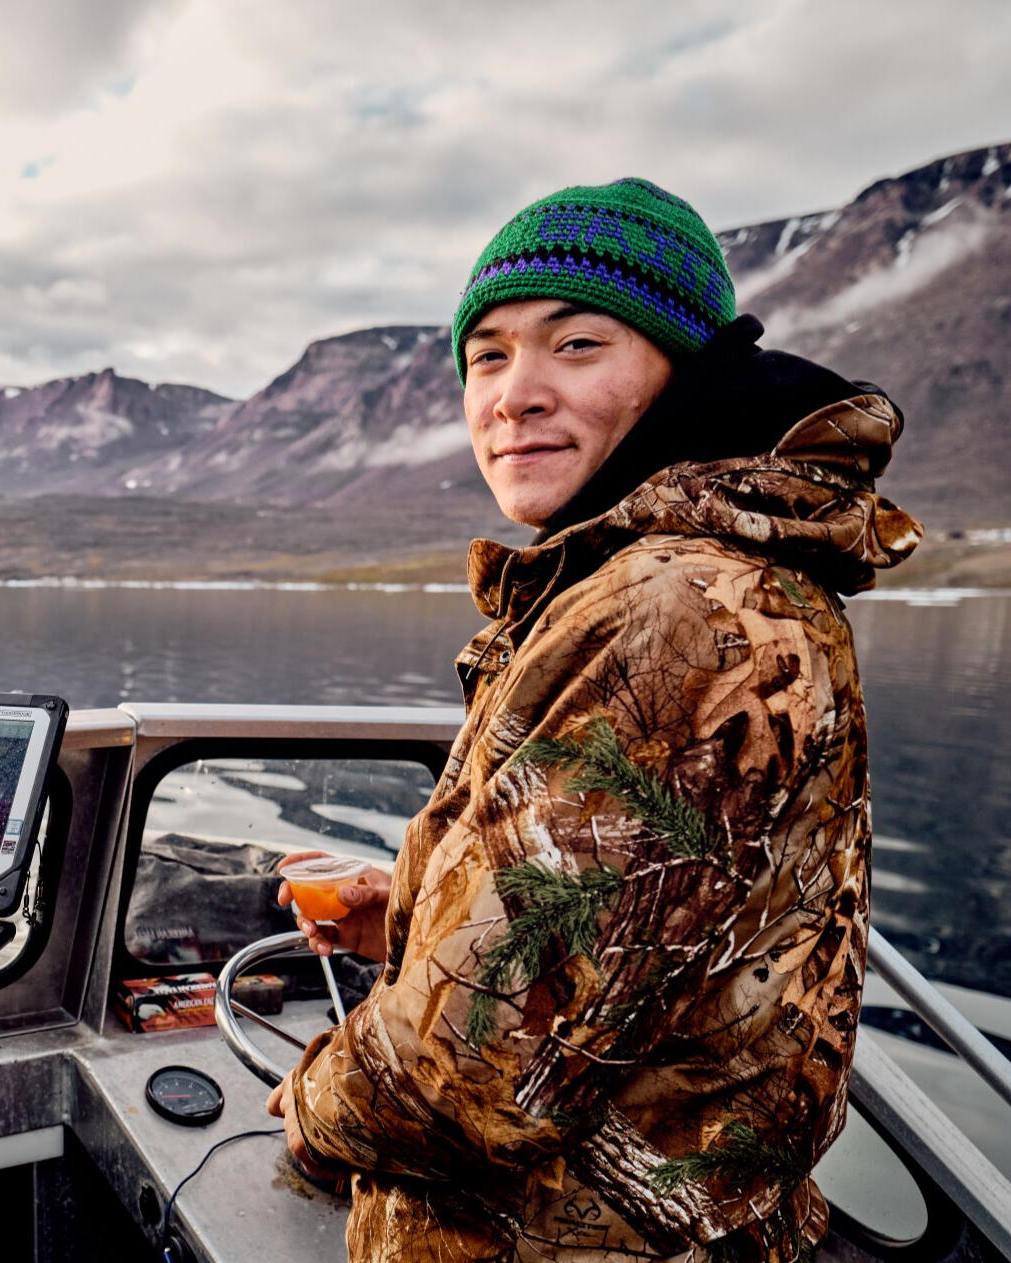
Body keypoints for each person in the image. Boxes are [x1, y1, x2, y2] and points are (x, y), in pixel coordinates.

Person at [268, 177, 922, 1261]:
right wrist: (420, 913)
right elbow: (655, 931)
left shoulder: (672, 608)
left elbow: (463, 1073)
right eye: (486, 356)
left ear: (683, 373)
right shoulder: (680, 578)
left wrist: (312, 1101)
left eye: (576, 344)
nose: (513, 394)